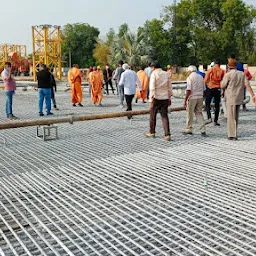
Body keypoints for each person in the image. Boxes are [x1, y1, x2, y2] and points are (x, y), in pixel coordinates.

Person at [221, 59, 256, 140]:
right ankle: (235, 132)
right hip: (239, 97)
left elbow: (223, 85)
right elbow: (247, 84)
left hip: (230, 97)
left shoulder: (228, 75)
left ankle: (232, 135)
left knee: (230, 117)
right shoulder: (242, 74)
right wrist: (253, 95)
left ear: (229, 67)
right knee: (236, 116)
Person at [145, 63, 172, 141]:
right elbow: (169, 86)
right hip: (165, 97)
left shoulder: (154, 74)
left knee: (152, 115)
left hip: (156, 97)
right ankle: (167, 134)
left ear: (153, 67)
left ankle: (152, 132)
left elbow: (152, 87)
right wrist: (169, 96)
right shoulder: (166, 73)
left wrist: (151, 98)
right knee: (164, 116)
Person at [183, 65, 206, 136]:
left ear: (189, 71)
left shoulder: (190, 77)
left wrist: (185, 100)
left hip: (192, 97)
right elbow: (204, 88)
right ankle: (203, 129)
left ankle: (188, 129)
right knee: (199, 113)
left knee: (190, 114)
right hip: (200, 97)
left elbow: (188, 89)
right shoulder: (200, 77)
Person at [204, 59, 225, 126]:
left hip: (210, 87)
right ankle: (216, 120)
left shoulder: (210, 70)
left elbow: (206, 79)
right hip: (218, 88)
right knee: (217, 105)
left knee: (207, 103)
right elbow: (223, 81)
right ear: (219, 64)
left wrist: (203, 88)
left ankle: (209, 117)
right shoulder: (222, 71)